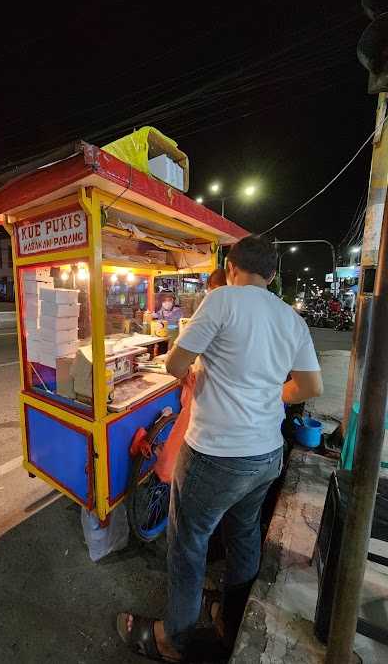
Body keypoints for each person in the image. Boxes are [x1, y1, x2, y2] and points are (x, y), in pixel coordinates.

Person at [117, 235, 323, 662]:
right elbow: (309, 386)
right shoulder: (291, 319)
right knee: (244, 536)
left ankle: (173, 639)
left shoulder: (223, 301)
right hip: (266, 454)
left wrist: (194, 368)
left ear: (231, 267)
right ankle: (230, 621)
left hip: (215, 454)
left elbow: (175, 364)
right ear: (271, 274)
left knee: (188, 545)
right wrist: (264, 396)